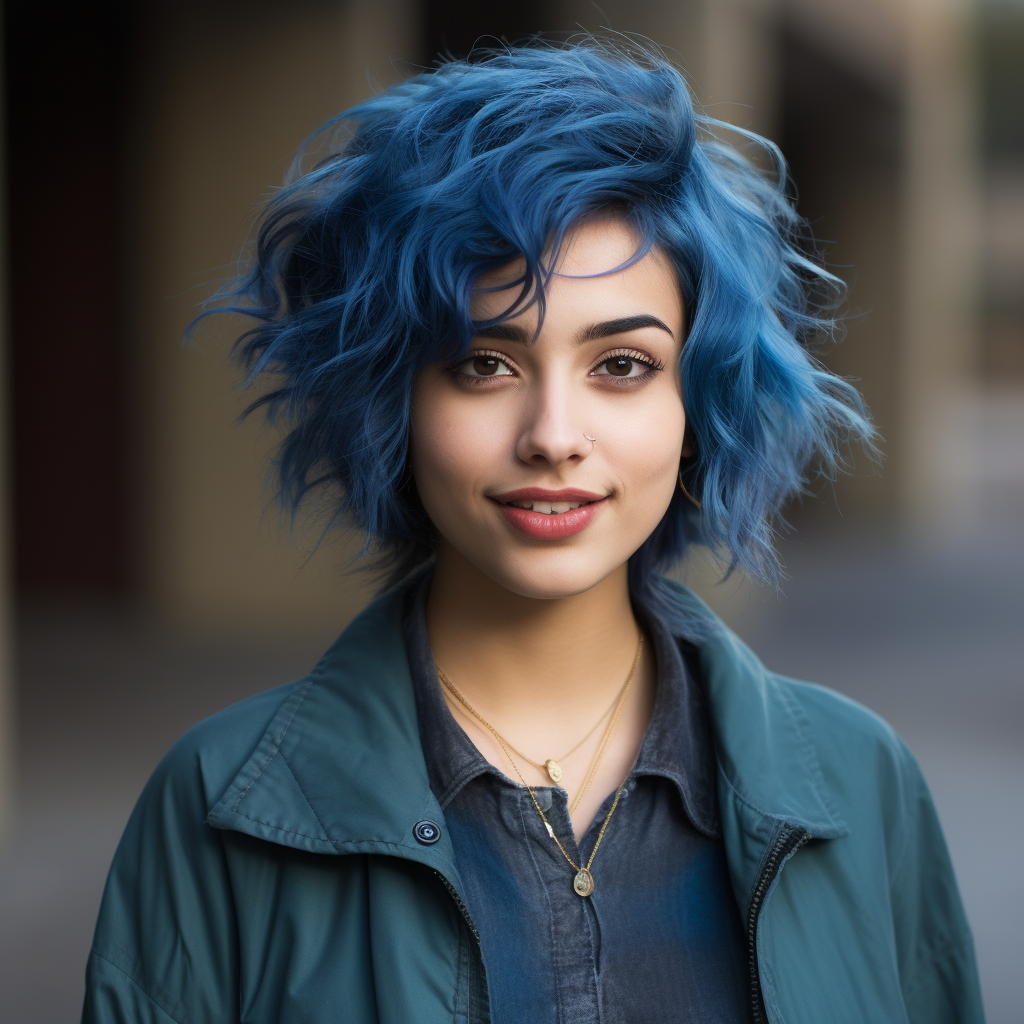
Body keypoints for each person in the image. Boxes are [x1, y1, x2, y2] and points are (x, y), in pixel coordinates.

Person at [82, 39, 984, 1024]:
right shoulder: (216, 805)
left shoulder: (863, 781)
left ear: (700, 401)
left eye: (622, 365)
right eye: (483, 363)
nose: (553, 436)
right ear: (396, 401)